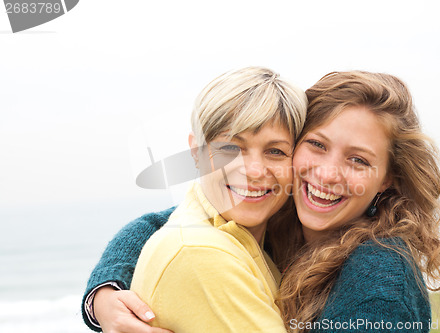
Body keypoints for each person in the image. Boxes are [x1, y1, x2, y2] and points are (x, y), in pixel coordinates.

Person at [82, 71, 440, 333]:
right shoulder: (279, 217)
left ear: (388, 179)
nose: (326, 175)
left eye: (358, 160)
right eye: (317, 145)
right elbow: (162, 226)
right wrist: (103, 294)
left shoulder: (378, 279)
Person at [81, 66, 307, 332]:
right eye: (230, 148)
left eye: (276, 151)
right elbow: (173, 238)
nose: (254, 171)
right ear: (195, 152)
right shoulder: (200, 252)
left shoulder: (260, 227)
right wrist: (105, 288)